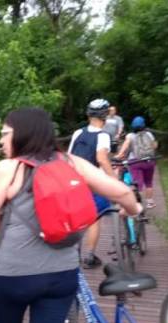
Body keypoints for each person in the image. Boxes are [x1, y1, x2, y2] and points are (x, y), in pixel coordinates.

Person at [0, 107, 141, 323]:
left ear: (23, 133)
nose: (0, 141)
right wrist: (135, 211)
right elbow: (122, 193)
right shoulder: (70, 162)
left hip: (12, 277)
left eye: (5, 134)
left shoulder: (9, 168)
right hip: (60, 276)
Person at [68, 99, 115, 268]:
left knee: (76, 217)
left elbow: (69, 156)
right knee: (94, 218)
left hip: (74, 181)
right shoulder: (103, 136)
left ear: (88, 114)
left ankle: (72, 253)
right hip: (93, 182)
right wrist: (113, 180)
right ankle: (89, 256)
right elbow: (102, 159)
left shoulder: (77, 133)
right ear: (105, 116)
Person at [117, 116, 158, 208]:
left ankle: (137, 204)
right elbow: (154, 146)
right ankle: (150, 202)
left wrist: (119, 155)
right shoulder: (149, 134)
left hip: (135, 161)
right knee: (148, 182)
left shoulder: (130, 136)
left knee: (137, 184)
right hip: (149, 161)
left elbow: (125, 146)